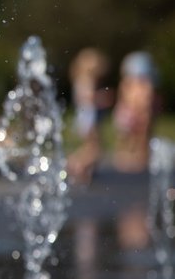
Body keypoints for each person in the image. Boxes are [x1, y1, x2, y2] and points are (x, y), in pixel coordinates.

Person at [65, 47, 112, 184]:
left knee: (93, 147)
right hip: (87, 119)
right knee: (95, 149)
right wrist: (102, 97)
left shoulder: (82, 79)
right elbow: (86, 98)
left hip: (86, 118)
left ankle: (84, 170)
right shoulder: (85, 80)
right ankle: (75, 164)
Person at [111, 50, 160, 173]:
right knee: (126, 137)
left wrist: (143, 112)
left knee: (141, 137)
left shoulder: (144, 84)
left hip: (140, 113)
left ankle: (141, 158)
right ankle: (124, 158)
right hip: (129, 112)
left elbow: (147, 100)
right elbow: (123, 98)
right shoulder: (128, 83)